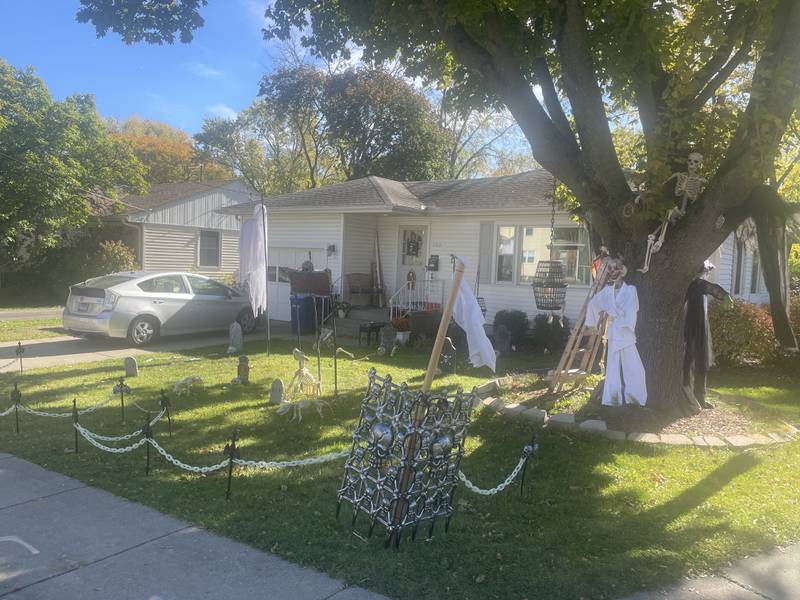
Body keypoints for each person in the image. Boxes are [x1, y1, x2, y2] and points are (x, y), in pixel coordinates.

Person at [585, 258, 647, 406]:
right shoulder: (606, 292)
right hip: (613, 332)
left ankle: (635, 398)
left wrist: (624, 321)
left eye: (615, 268)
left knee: (633, 366)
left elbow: (633, 309)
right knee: (612, 367)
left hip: (626, 332)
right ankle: (612, 398)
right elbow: (593, 304)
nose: (612, 271)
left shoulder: (631, 290)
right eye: (610, 269)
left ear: (622, 271)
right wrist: (592, 324)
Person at [683, 261, 730, 408]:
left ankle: (700, 395)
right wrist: (725, 296)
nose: (707, 273)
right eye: (707, 271)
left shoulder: (696, 285)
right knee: (689, 360)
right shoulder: (696, 284)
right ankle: (689, 393)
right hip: (691, 328)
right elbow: (711, 288)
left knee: (700, 360)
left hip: (700, 327)